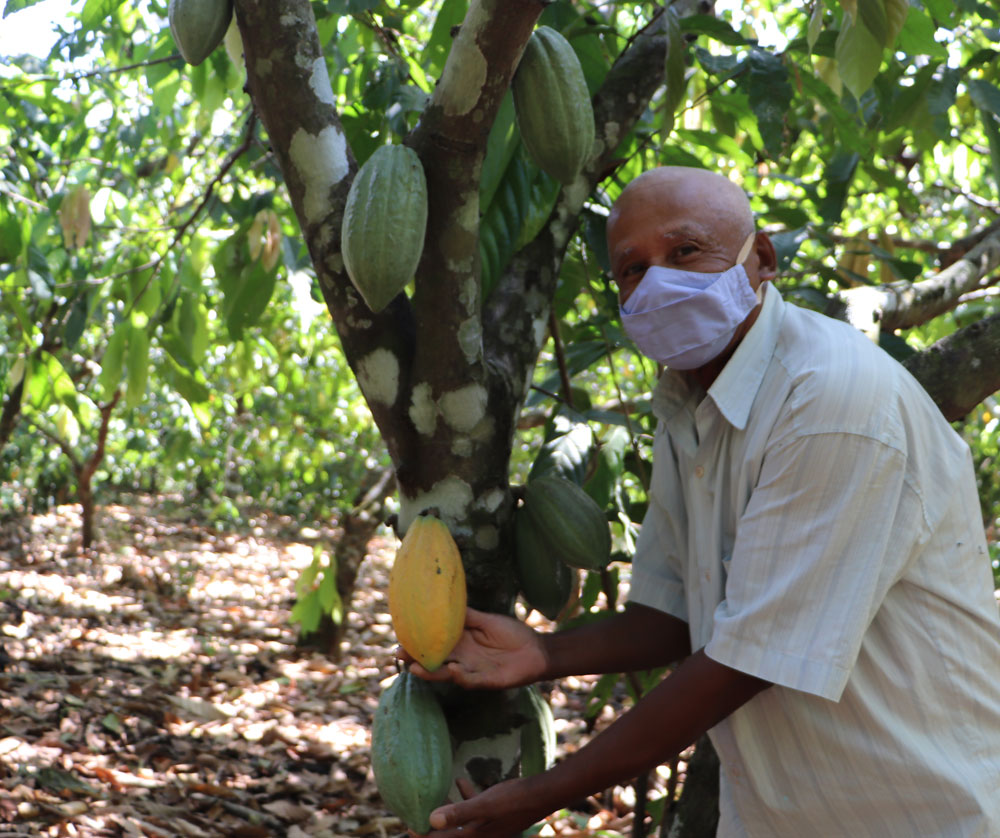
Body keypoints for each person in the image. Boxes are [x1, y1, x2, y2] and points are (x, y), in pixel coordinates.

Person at [404, 166, 1000, 837]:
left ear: (762, 259)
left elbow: (746, 658)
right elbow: (678, 612)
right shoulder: (689, 402)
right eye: (633, 269)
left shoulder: (830, 402)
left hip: (918, 812)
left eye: (685, 252)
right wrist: (543, 653)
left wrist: (540, 794)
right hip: (787, 814)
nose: (659, 282)